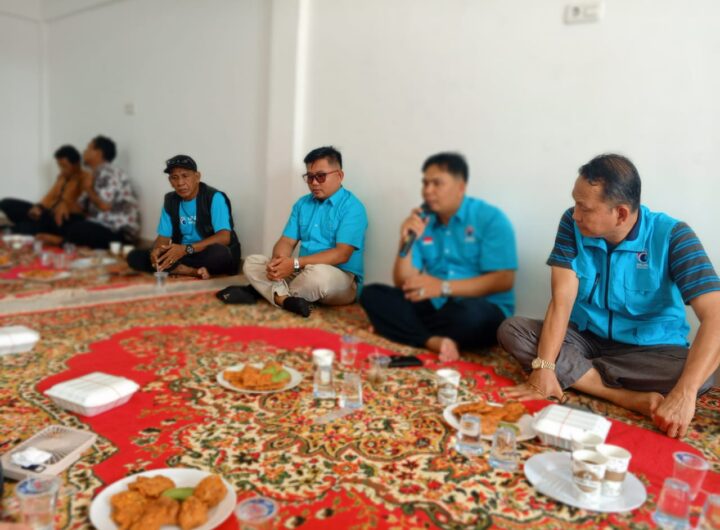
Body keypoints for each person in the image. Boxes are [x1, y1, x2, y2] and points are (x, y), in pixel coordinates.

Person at [497, 153, 720, 438]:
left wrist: (685, 393)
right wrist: (544, 366)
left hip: (649, 351)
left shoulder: (674, 236)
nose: (575, 214)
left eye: (585, 208)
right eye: (575, 203)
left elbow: (716, 315)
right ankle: (624, 396)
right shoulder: (572, 225)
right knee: (513, 331)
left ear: (621, 214)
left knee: (701, 376)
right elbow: (562, 301)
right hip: (585, 339)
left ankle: (578, 373)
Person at [360, 152, 517, 362]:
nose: (427, 191)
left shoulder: (490, 219)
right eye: (425, 183)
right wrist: (406, 240)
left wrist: (443, 287)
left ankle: (402, 329)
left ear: (460, 187)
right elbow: (403, 282)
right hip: (437, 305)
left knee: (472, 317)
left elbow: (503, 280)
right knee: (371, 294)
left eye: (437, 183)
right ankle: (432, 340)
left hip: (479, 308)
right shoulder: (423, 221)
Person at [239, 146, 367, 317]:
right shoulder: (302, 204)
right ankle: (285, 299)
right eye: (310, 177)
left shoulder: (352, 208)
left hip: (338, 277)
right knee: (253, 262)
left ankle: (269, 292)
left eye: (320, 176)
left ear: (339, 175)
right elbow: (286, 241)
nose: (314, 183)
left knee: (318, 276)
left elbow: (342, 254)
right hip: (300, 271)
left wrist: (294, 264)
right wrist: (278, 263)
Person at [127, 155, 241, 279]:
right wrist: (156, 251)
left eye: (185, 176)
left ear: (197, 177)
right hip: (182, 254)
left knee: (220, 253)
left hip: (203, 252)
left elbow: (224, 237)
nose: (180, 183)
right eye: (174, 178)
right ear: (170, 181)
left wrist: (186, 249)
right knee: (135, 256)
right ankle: (190, 271)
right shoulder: (170, 200)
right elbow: (163, 237)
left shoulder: (214, 197)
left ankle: (176, 268)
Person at [62, 135, 140, 249]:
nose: (84, 151)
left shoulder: (109, 172)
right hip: (101, 225)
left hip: (119, 232)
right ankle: (64, 241)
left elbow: (104, 206)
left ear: (98, 153)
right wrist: (63, 206)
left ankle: (61, 242)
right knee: (63, 219)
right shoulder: (93, 174)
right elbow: (79, 208)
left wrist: (88, 189)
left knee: (78, 229)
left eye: (88, 148)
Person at [0, 145, 87, 238]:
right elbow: (50, 196)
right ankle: (26, 224)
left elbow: (82, 207)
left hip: (60, 218)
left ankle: (13, 229)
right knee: (6, 203)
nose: (61, 170)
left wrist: (63, 207)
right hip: (46, 212)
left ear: (76, 164)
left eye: (64, 166)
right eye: (59, 166)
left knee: (37, 224)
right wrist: (39, 207)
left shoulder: (85, 178)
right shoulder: (62, 177)